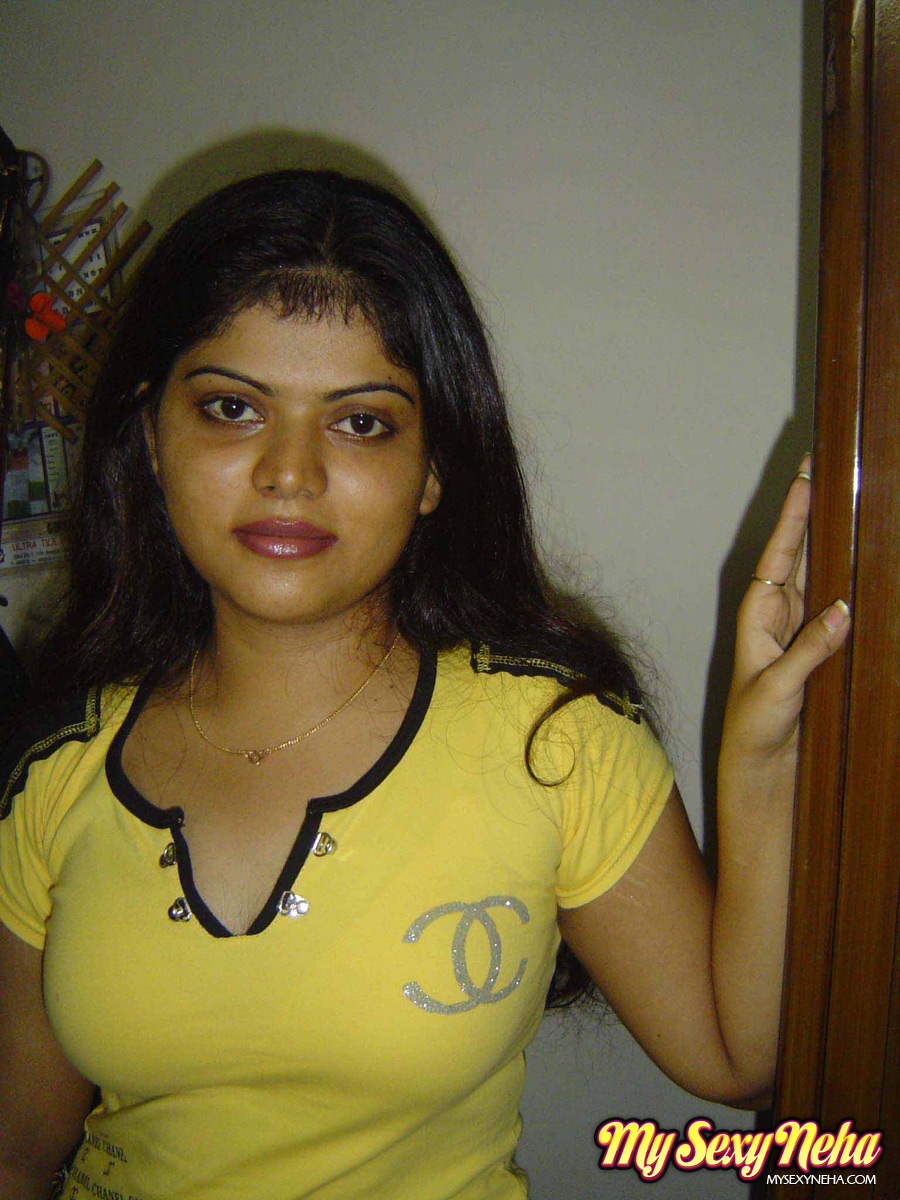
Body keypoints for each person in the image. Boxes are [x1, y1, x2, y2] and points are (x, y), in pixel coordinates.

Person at [0, 169, 850, 1200]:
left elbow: (734, 1056)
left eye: (361, 422)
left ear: (435, 467)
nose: (289, 472)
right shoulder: (55, 771)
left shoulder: (555, 743)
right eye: (231, 408)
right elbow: (18, 1151)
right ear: (149, 439)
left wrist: (760, 766)